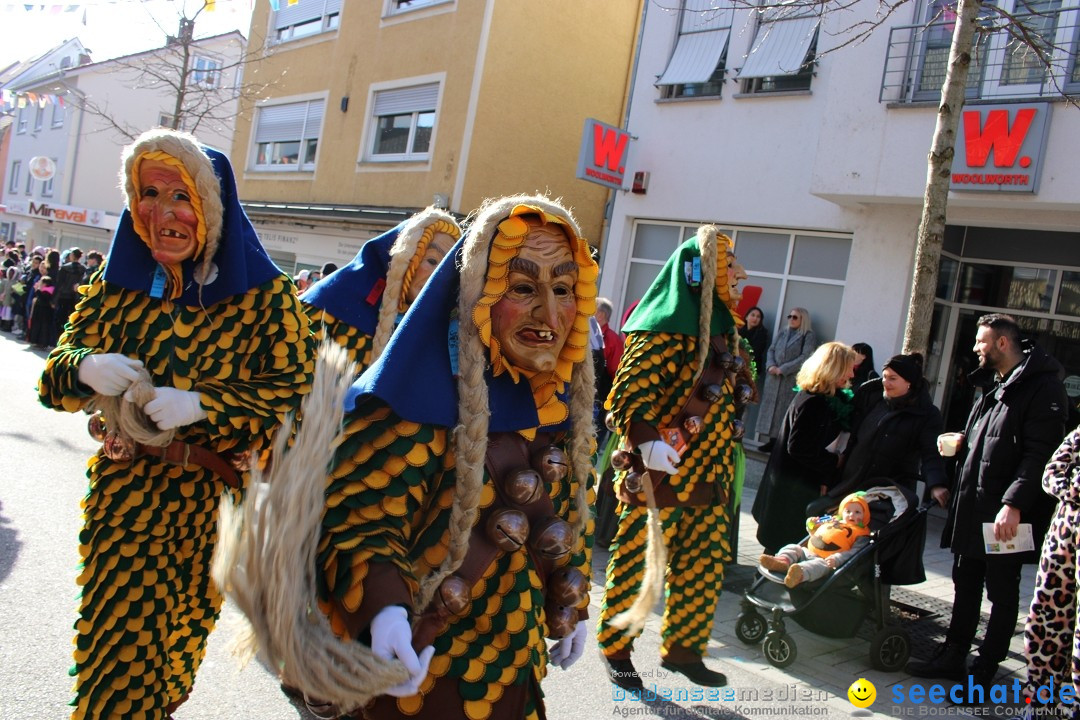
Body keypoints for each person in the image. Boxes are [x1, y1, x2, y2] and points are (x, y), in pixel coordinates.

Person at [215, 195, 598, 719]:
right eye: (524, 288)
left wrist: (571, 597)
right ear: (480, 291)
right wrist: (385, 609)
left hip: (515, 666)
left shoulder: (555, 411)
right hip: (421, 670)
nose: (550, 313)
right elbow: (362, 519)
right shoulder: (410, 398)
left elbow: (568, 515)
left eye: (563, 290)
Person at [36, 128, 316, 719]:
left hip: (212, 507)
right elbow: (53, 377)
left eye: (180, 196)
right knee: (117, 662)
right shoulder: (117, 291)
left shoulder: (267, 299)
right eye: (148, 192)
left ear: (210, 207)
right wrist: (85, 366)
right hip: (127, 500)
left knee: (171, 660)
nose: (162, 211)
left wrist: (204, 404)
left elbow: (297, 393)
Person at [597, 226, 753, 690]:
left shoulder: (728, 334)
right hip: (662, 475)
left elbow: (743, 385)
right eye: (729, 267)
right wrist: (646, 441)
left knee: (703, 569)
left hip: (710, 476)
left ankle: (684, 651)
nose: (740, 274)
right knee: (637, 565)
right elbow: (625, 396)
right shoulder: (660, 329)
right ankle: (617, 647)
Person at [906, 314, 1067, 692]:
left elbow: (1039, 454)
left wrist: (1013, 504)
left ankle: (984, 672)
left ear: (1002, 344)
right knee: (965, 581)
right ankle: (952, 655)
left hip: (1007, 516)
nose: (975, 348)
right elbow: (992, 437)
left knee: (1002, 591)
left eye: (981, 341)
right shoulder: (992, 383)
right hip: (974, 506)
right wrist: (964, 441)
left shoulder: (1043, 388)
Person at [300, 207, 462, 373]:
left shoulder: (444, 335)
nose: (439, 275)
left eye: (448, 268)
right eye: (433, 261)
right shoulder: (331, 303)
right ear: (404, 258)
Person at [751, 341, 857, 554]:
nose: (851, 375)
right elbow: (799, 447)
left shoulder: (823, 398)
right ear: (833, 368)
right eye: (848, 368)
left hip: (796, 486)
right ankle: (762, 584)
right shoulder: (812, 401)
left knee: (786, 546)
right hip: (792, 488)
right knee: (782, 546)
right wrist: (833, 462)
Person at [833, 353, 949, 505]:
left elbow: (931, 453)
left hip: (890, 494)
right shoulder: (870, 397)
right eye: (884, 377)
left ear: (909, 382)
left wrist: (936, 484)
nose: (886, 383)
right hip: (851, 484)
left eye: (893, 378)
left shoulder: (926, 414)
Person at [1024, 425, 1080, 714]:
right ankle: (1039, 697)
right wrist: (1071, 487)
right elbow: (1051, 473)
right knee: (1046, 616)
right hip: (1062, 542)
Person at [759, 492, 872, 588]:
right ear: (842, 512)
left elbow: (855, 553)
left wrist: (837, 559)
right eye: (848, 511)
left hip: (827, 561)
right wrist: (812, 523)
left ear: (865, 515)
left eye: (857, 512)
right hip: (808, 552)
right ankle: (782, 561)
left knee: (818, 567)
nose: (852, 515)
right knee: (794, 547)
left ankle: (799, 574)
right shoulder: (832, 519)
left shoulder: (861, 533)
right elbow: (813, 532)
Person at [755, 307, 817, 451]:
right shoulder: (783, 332)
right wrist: (771, 365)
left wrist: (783, 369)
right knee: (771, 409)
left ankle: (780, 442)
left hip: (789, 379)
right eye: (790, 316)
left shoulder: (808, 335)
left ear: (803, 319)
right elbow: (771, 349)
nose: (791, 319)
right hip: (773, 378)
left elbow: (806, 356)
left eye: (795, 317)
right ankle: (771, 440)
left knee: (784, 409)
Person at [54, 246, 87, 336]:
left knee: (59, 318)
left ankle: (57, 337)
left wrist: (54, 300)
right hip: (75, 297)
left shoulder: (64, 268)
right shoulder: (83, 269)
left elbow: (59, 284)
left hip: (63, 296)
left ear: (72, 255)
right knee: (70, 319)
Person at [27, 273, 57, 349]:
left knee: (43, 328)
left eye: (41, 282)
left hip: (45, 313)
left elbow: (44, 300)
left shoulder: (49, 291)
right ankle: (36, 341)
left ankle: (42, 343)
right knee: (37, 326)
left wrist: (38, 290)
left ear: (45, 283)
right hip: (39, 312)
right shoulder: (42, 290)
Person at [741, 306, 769, 384]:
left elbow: (756, 352)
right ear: (746, 317)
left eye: (758, 317)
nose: (755, 318)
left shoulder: (762, 333)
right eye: (752, 315)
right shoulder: (739, 331)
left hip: (751, 369)